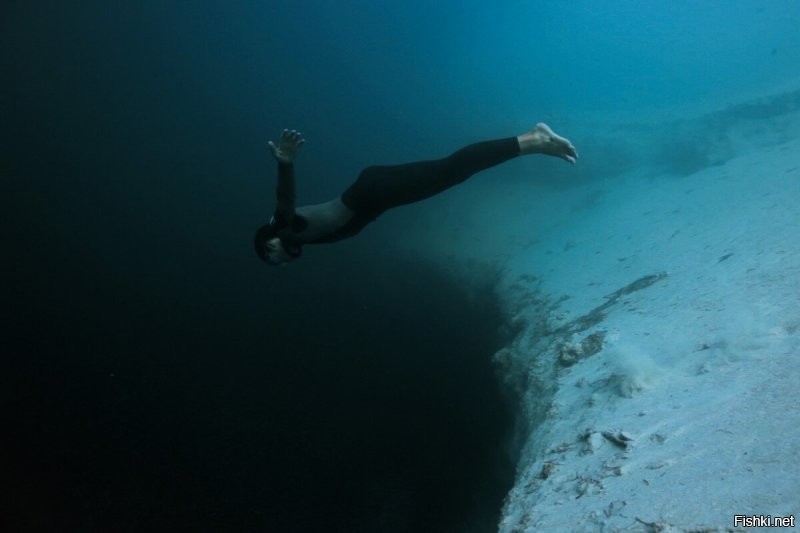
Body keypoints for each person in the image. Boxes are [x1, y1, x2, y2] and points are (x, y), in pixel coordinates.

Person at [254, 123, 578, 266]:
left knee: (453, 169)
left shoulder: (285, 227)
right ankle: (531, 142)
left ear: (270, 244)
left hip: (374, 191)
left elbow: (285, 199)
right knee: (453, 171)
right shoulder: (299, 237)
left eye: (272, 261)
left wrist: (285, 164)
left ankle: (532, 140)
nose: (280, 263)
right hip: (378, 193)